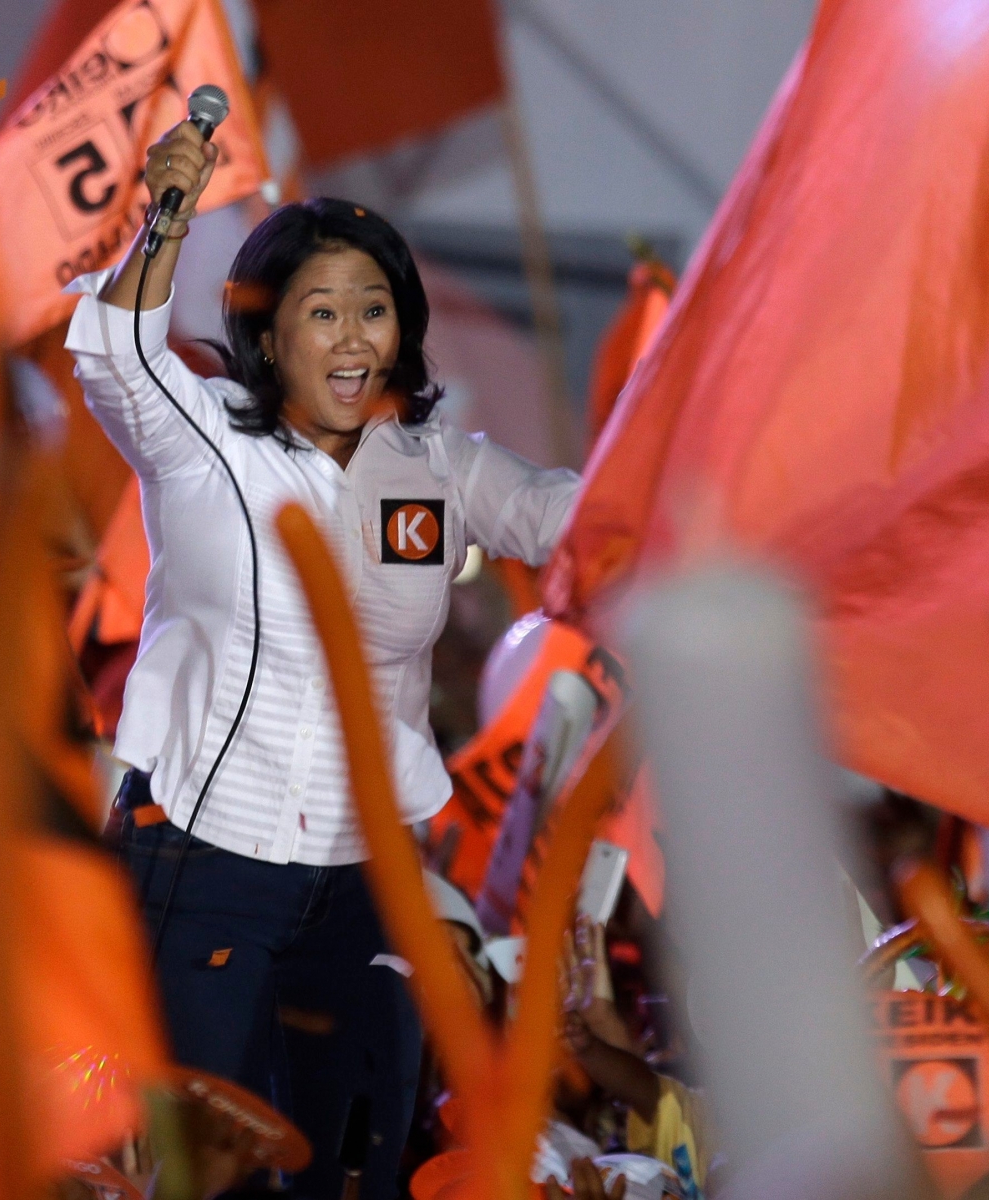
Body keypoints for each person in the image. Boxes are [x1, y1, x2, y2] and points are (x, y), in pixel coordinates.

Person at [62, 118, 581, 1200]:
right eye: (322, 311)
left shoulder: (434, 467)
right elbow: (112, 354)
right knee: (196, 1174)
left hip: (367, 879)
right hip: (197, 866)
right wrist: (164, 217)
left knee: (354, 1162)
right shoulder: (204, 440)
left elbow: (565, 519)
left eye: (375, 309)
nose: (353, 338)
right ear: (265, 332)